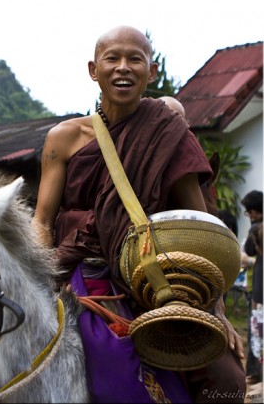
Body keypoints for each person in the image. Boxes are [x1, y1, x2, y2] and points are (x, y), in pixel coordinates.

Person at [33, 25, 245, 403]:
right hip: (89, 273)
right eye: (111, 58)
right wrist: (40, 285)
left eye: (135, 59)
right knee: (111, 366)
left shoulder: (168, 131)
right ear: (93, 70)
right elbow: (42, 221)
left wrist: (217, 309)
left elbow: (202, 230)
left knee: (224, 379)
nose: (123, 67)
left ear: (152, 71)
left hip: (162, 276)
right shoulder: (64, 138)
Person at [240, 190, 263, 385]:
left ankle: (254, 373)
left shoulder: (256, 229)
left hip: (258, 291)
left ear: (254, 212)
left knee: (256, 330)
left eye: (248, 213)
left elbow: (247, 251)